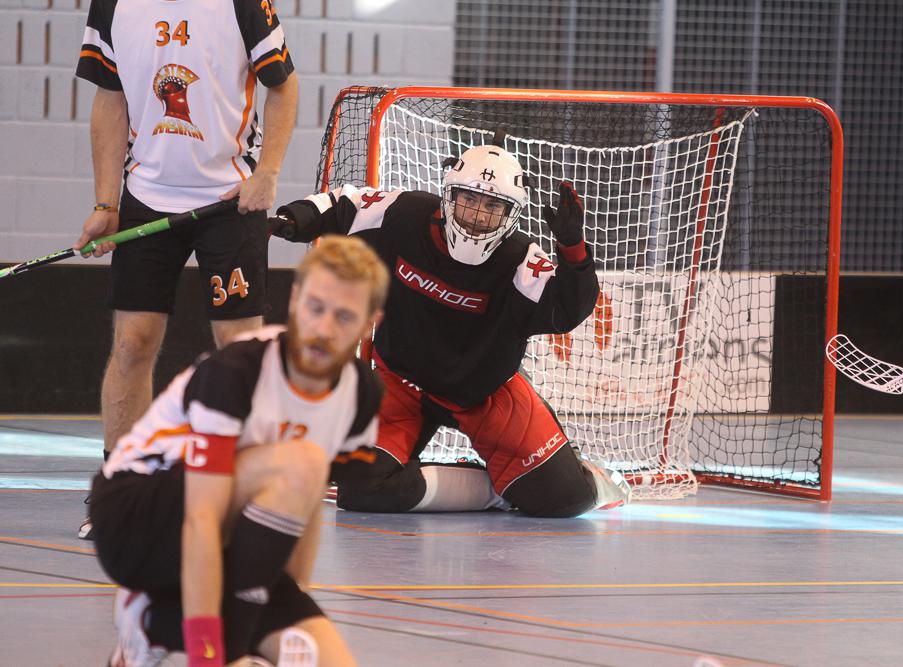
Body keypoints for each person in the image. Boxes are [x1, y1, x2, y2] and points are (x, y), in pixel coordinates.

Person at [269, 140, 630, 518]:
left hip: (487, 395)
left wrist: (572, 248)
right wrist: (291, 220)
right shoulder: (404, 214)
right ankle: (494, 491)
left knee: (566, 500)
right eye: (469, 199)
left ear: (511, 213)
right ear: (449, 195)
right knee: (360, 490)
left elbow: (567, 310)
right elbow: (345, 204)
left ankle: (589, 477)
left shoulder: (521, 260)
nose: (476, 215)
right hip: (401, 385)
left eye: (492, 206)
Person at [90, 235, 387, 666]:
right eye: (315, 308)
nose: (324, 330)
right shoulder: (237, 371)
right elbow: (202, 518)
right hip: (136, 517)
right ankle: (162, 620)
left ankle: (157, 623)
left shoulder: (361, 393)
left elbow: (305, 510)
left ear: (369, 322)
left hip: (232, 526)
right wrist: (211, 656)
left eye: (344, 317)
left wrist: (288, 605)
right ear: (295, 300)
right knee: (301, 462)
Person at [74, 0, 299, 539]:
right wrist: (106, 203)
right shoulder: (112, 5)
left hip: (230, 200)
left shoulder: (244, 3)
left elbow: (284, 86)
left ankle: (245, 496)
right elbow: (109, 98)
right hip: (145, 197)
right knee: (132, 342)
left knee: (239, 348)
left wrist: (267, 172)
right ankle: (122, 490)